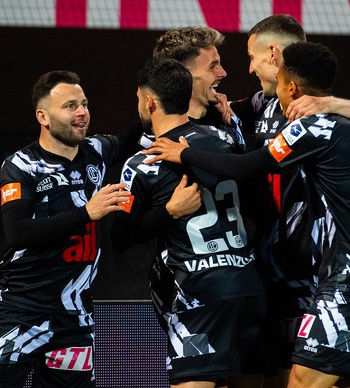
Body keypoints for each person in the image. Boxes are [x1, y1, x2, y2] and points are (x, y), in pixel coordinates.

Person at [144, 41, 350, 388]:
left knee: (303, 382)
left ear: (291, 87)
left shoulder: (308, 127)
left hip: (348, 278)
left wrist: (185, 154)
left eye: (278, 81)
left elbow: (247, 167)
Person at [231, 14, 350, 387]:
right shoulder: (258, 105)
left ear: (273, 54)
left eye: (252, 56)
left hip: (321, 269)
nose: (249, 67)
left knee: (306, 376)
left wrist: (331, 103)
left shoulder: (320, 110)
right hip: (275, 265)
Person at [0, 70, 145, 387]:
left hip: (74, 321)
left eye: (84, 104)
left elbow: (135, 133)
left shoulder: (97, 151)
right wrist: (85, 213)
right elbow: (18, 233)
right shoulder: (20, 166)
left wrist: (162, 99)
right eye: (69, 106)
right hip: (20, 312)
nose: (81, 113)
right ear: (43, 116)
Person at [111, 58, 266, 388]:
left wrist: (168, 212)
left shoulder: (142, 162)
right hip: (249, 286)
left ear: (149, 101)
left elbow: (120, 237)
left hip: (200, 293)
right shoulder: (227, 140)